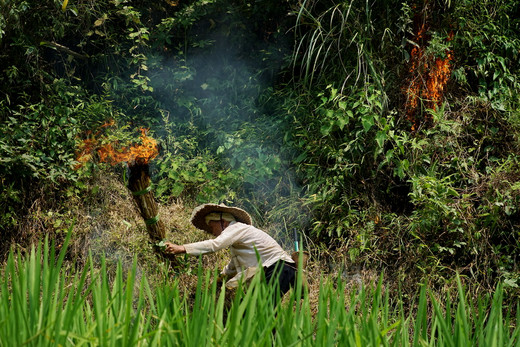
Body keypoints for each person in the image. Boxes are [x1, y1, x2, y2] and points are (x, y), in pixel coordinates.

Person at [163, 203, 296, 296]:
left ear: (224, 222)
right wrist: (218, 281)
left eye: (212, 227)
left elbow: (215, 245)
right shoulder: (238, 241)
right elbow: (232, 267)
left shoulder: (237, 228)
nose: (213, 232)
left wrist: (182, 248)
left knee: (260, 311)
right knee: (259, 311)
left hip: (279, 268)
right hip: (278, 270)